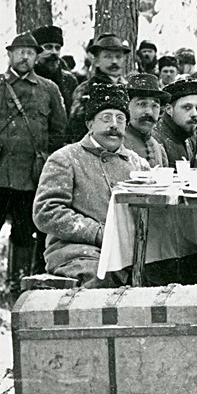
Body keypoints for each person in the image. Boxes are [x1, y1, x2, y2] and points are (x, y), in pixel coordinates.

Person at [0, 33, 68, 301]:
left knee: (23, 236)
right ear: (9, 54)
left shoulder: (49, 90)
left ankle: (17, 291)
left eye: (30, 53)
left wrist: (44, 158)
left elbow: (59, 131)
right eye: (19, 52)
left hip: (29, 178)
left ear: (36, 57)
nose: (24, 57)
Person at [33, 84, 146, 286]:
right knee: (101, 279)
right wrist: (98, 233)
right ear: (89, 124)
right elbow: (46, 211)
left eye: (120, 119)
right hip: (76, 251)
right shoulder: (65, 158)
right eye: (106, 118)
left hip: (127, 252)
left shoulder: (138, 164)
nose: (114, 124)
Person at [159, 75, 197, 167]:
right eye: (187, 107)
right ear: (169, 109)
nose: (194, 114)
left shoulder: (191, 134)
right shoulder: (157, 139)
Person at [122, 72, 171, 167]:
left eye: (155, 106)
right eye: (142, 104)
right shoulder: (117, 144)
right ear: (127, 106)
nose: (149, 112)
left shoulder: (158, 148)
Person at [31, 25, 79, 107]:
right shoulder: (25, 79)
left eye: (57, 48)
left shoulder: (69, 81)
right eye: (48, 47)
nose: (54, 52)